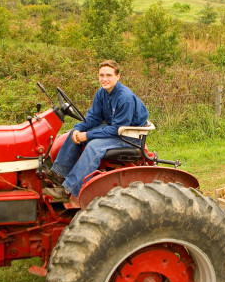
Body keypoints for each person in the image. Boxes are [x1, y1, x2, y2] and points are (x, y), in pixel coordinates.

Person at [47, 60, 149, 201]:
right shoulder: (102, 93)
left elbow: (117, 129)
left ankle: (67, 190)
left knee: (93, 147)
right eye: (101, 75)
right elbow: (93, 117)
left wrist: (87, 135)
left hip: (129, 135)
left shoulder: (125, 98)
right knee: (72, 134)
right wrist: (78, 129)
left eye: (109, 75)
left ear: (117, 76)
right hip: (114, 129)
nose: (104, 79)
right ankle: (59, 174)